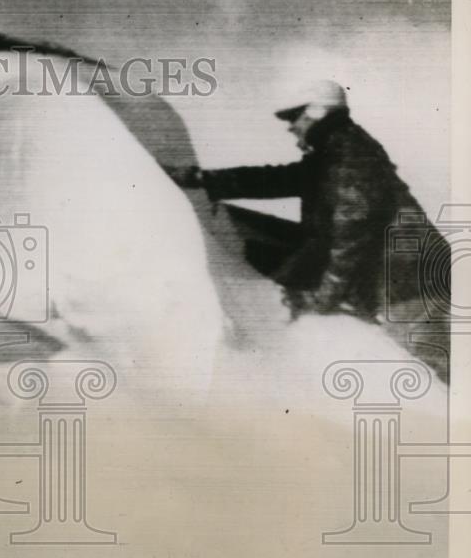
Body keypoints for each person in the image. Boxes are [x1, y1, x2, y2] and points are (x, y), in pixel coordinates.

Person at [165, 80, 451, 382]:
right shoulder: (333, 152)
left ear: (317, 113)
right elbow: (279, 180)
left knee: (431, 364)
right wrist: (204, 180)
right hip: (397, 269)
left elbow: (349, 239)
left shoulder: (348, 159)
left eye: (294, 117)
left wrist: (323, 297)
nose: (290, 127)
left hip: (409, 277)